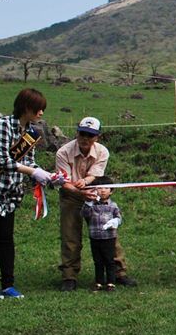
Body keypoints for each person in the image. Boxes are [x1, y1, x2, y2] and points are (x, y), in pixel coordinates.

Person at [0, 88, 59, 299]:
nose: (41, 113)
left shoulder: (31, 133)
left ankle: (8, 285)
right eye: (38, 108)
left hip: (8, 191)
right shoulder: (3, 125)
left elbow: (29, 162)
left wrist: (47, 175)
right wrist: (33, 172)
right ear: (26, 107)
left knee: (6, 238)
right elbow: (3, 161)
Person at [55, 116, 135, 291]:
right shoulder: (63, 152)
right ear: (77, 133)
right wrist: (80, 191)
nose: (85, 138)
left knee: (109, 232)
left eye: (90, 135)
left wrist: (86, 183)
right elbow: (63, 182)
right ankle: (69, 276)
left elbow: (96, 174)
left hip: (96, 195)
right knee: (70, 236)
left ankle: (119, 272)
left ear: (97, 137)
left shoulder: (102, 151)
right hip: (71, 195)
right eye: (82, 134)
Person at [81, 176, 122, 291]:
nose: (103, 190)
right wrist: (88, 202)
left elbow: (119, 218)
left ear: (111, 191)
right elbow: (84, 214)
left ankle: (111, 282)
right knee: (98, 261)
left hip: (109, 238)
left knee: (109, 260)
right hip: (95, 237)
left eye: (106, 188)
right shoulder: (91, 205)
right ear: (95, 190)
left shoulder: (113, 206)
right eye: (99, 188)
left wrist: (115, 222)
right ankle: (99, 282)